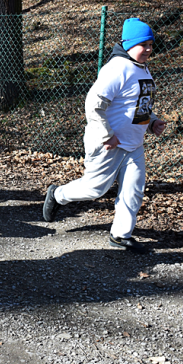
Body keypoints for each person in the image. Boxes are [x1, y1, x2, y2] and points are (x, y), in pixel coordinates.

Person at [42, 18, 166, 254]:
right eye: (144, 44)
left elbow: (136, 104)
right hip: (109, 144)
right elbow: (93, 105)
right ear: (128, 44)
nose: (149, 49)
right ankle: (58, 194)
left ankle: (121, 235)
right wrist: (106, 135)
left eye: (151, 44)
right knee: (95, 189)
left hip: (133, 145)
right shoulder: (117, 68)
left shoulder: (141, 67)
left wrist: (152, 122)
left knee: (134, 189)